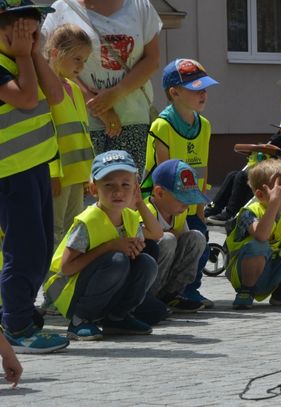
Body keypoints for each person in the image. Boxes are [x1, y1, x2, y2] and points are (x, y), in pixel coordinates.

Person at [0, 0, 70, 354]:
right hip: (10, 173)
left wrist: (33, 53)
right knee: (23, 252)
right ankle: (16, 325)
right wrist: (24, 57)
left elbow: (55, 95)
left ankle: (20, 310)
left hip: (36, 167)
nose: (31, 34)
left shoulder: (24, 57)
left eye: (35, 27)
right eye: (23, 28)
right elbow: (26, 99)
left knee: (40, 249)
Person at [44, 150, 163, 341]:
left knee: (146, 262)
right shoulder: (88, 220)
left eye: (126, 185)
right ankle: (79, 321)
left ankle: (117, 319)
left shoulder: (129, 217)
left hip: (97, 284)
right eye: (108, 185)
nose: (118, 192)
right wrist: (110, 247)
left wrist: (134, 249)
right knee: (116, 261)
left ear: (135, 189)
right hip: (66, 291)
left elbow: (157, 235)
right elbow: (66, 268)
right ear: (93, 189)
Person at [42, 0, 162, 176]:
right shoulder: (61, 8)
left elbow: (152, 60)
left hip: (132, 118)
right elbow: (49, 61)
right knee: (84, 194)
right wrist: (95, 104)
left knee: (126, 192)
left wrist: (116, 93)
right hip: (79, 121)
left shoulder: (140, 6)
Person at [142, 58, 219, 308]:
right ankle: (154, 294)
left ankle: (187, 291)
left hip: (191, 201)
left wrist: (200, 209)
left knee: (200, 237)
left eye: (205, 88)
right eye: (196, 89)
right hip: (165, 206)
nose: (203, 94)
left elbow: (203, 168)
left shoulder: (204, 125)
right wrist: (174, 210)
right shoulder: (162, 126)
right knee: (169, 244)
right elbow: (163, 174)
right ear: (174, 92)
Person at [224, 160, 281, 309]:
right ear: (260, 195)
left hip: (270, 272)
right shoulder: (250, 212)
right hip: (244, 275)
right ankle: (245, 291)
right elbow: (261, 236)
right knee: (259, 245)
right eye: (279, 193)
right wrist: (274, 203)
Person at [44, 23, 94, 248]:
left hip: (77, 174)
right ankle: (51, 280)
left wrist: (89, 173)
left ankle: (67, 278)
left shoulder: (74, 89)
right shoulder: (44, 88)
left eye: (84, 60)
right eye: (77, 59)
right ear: (55, 53)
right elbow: (45, 133)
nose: (82, 67)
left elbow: (83, 133)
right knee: (54, 228)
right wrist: (53, 173)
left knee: (74, 227)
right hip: (59, 177)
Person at [144, 159, 209, 312]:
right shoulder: (147, 212)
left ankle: (172, 295)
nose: (187, 205)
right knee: (167, 240)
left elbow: (184, 240)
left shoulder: (180, 212)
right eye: (182, 199)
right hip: (146, 278)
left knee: (197, 237)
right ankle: (148, 298)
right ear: (159, 193)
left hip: (166, 272)